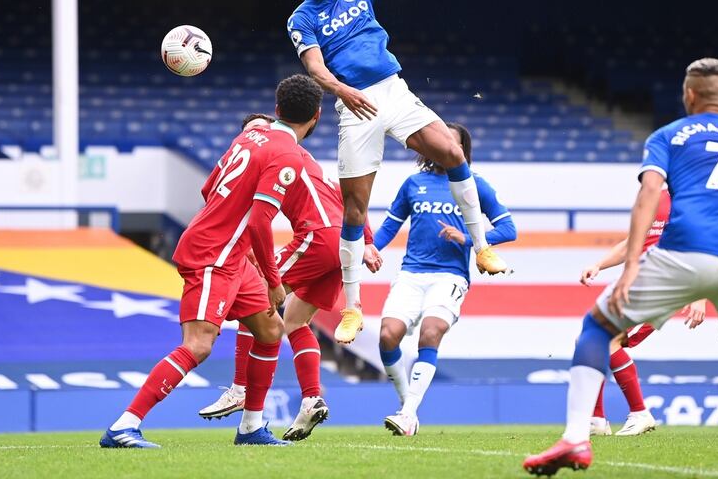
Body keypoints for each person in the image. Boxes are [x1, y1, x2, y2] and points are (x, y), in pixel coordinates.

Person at [523, 58, 718, 479]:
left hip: (684, 252)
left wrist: (630, 268)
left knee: (596, 328)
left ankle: (577, 436)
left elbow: (650, 192)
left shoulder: (670, 135)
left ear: (688, 95)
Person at [286, 0, 509, 346]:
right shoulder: (302, 18)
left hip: (393, 90)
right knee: (354, 209)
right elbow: (314, 68)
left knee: (452, 152)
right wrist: (343, 92)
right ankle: (352, 308)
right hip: (356, 108)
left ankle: (481, 247)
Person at [99, 75, 323, 449]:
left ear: (277, 107)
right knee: (199, 344)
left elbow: (208, 188)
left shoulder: (250, 136)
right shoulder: (287, 154)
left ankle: (251, 427)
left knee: (270, 332)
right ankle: (124, 425)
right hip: (212, 254)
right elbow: (259, 220)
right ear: (316, 117)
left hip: (231, 254)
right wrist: (272, 278)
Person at [198, 113, 383, 442]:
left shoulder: (273, 155)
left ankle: (240, 388)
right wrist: (364, 241)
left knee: (255, 301)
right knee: (295, 321)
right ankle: (312, 398)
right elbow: (347, 197)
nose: (251, 138)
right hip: (341, 241)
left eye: (256, 131)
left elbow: (234, 207)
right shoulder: (302, 155)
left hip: (317, 236)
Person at [373, 123, 516, 436]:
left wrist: (466, 239)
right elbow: (388, 228)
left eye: (452, 142)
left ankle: (408, 412)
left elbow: (508, 229)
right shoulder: (413, 183)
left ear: (462, 150)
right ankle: (406, 407)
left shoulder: (475, 185)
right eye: (438, 140)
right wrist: (367, 250)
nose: (444, 146)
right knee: (386, 336)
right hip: (411, 273)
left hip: (450, 275)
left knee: (430, 332)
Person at [579, 188, 707, 437]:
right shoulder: (655, 196)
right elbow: (632, 244)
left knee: (606, 339)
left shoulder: (693, 198)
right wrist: (598, 265)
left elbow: (705, 246)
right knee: (586, 341)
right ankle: (596, 419)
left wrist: (700, 296)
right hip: (636, 280)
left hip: (664, 284)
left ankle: (639, 413)